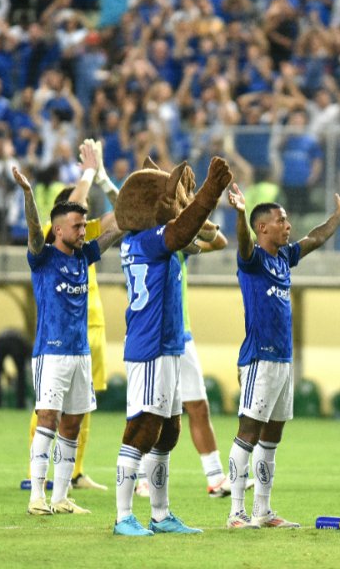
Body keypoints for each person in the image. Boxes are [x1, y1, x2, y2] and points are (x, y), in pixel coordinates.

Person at [224, 182, 340, 529]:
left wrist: (338, 217)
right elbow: (242, 241)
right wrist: (239, 214)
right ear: (262, 228)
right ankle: (236, 513)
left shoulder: (285, 257)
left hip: (283, 360)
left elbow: (313, 239)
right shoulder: (252, 259)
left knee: (272, 437)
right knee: (248, 432)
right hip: (259, 359)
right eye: (281, 221)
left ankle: (263, 511)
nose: (288, 226)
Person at [112, 157, 232, 537]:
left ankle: (161, 515)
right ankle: (123, 517)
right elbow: (181, 233)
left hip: (169, 344)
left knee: (168, 431)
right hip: (149, 346)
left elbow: (202, 236)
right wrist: (210, 191)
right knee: (142, 429)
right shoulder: (146, 240)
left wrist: (191, 198)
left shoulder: (151, 240)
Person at [13, 161, 122, 516]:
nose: (83, 231)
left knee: (73, 422)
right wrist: (29, 195)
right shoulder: (42, 258)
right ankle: (36, 497)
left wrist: (140, 203)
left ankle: (60, 497)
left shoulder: (85, 255)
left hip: (80, 354)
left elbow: (117, 227)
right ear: (58, 230)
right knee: (48, 418)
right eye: (77, 226)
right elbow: (32, 229)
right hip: (52, 353)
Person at [134, 224, 232, 499]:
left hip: (182, 336)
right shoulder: (144, 244)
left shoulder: (180, 246)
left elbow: (221, 241)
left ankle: (215, 478)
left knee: (198, 405)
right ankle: (140, 476)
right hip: (152, 338)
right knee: (149, 410)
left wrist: (194, 216)